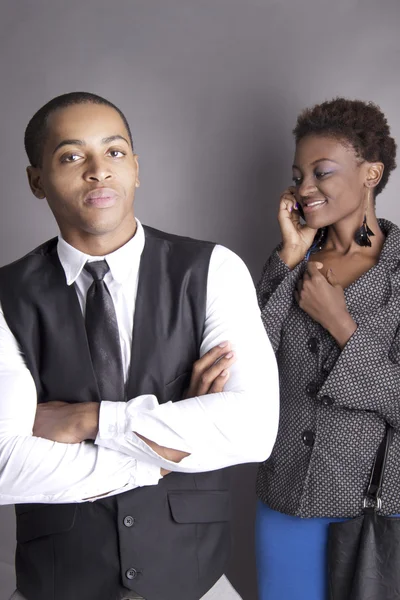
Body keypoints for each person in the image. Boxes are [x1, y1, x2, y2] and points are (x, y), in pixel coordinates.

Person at [0, 92, 279, 600]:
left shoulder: (212, 270)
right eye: (71, 156)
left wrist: (88, 420)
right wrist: (169, 447)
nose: (98, 171)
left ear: (136, 168)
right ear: (36, 181)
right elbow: (3, 463)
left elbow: (254, 429)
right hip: (57, 586)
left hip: (196, 584)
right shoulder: (4, 297)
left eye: (114, 152)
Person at [254, 98, 400, 599]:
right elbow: (246, 366)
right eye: (299, 175)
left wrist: (340, 324)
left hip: (376, 511)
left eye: (323, 172)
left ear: (371, 173)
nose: (305, 188)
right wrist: (288, 258)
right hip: (285, 498)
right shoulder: (290, 261)